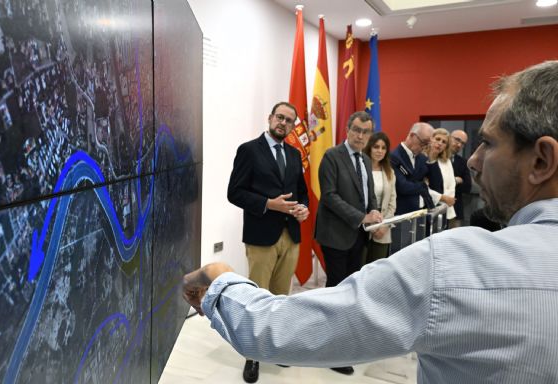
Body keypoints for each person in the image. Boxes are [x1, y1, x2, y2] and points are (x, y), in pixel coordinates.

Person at [184, 61, 558, 383]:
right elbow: (317, 196)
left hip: (317, 235)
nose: (473, 161)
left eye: (488, 144)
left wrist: (218, 277)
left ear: (541, 160)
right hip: (279, 232)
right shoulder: (286, 153)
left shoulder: (452, 267)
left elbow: (282, 326)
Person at [226, 101, 309, 383]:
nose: (283, 123)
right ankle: (252, 355)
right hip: (261, 236)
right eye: (280, 118)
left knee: (280, 299)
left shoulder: (295, 154)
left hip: (291, 236)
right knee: (257, 298)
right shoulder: (249, 150)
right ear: (270, 118)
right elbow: (234, 193)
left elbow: (301, 191)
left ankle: (273, 347)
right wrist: (267, 204)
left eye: (289, 120)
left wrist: (304, 208)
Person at [313, 111, 382, 375]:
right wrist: (361, 217)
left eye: (366, 132)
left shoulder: (365, 159)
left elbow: (369, 195)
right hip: (336, 235)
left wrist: (374, 217)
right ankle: (330, 350)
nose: (361, 136)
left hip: (358, 235)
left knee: (352, 289)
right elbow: (329, 197)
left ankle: (342, 339)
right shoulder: (332, 156)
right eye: (357, 130)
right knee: (337, 290)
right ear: (347, 129)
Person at [363, 131, 396, 262]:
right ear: (369, 147)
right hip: (363, 228)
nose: (380, 151)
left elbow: (392, 203)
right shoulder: (361, 169)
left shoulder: (390, 172)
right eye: (376, 147)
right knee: (359, 270)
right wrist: (370, 226)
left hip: (383, 230)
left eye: (383, 148)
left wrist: (384, 226)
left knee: (377, 270)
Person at [389, 123, 435, 215]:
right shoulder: (394, 157)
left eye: (428, 144)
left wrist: (432, 156)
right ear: (412, 135)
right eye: (423, 142)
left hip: (421, 211)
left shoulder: (422, 158)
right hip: (402, 213)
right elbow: (403, 187)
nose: (424, 146)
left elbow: (435, 182)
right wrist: (422, 185)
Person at [424, 128, 457, 223]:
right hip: (428, 206)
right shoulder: (422, 158)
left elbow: (451, 184)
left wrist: (448, 201)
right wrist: (442, 198)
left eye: (444, 142)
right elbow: (423, 186)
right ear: (431, 139)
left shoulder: (446, 161)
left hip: (446, 208)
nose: (440, 143)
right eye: (437, 139)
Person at [449, 130, 472, 227]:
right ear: (449, 137)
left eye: (463, 143)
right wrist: (455, 180)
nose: (459, 145)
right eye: (457, 140)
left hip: (455, 209)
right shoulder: (435, 157)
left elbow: (467, 187)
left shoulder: (463, 162)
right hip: (436, 207)